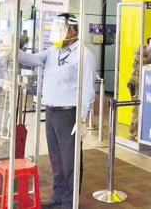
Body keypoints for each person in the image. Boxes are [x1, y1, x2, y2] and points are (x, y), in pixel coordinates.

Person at [17, 13, 96, 209]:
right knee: (56, 159)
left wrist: (83, 118)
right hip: (51, 113)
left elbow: (88, 89)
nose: (57, 34)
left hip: (69, 114)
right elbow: (32, 59)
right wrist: (11, 49)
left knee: (70, 160)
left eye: (61, 30)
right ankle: (58, 197)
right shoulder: (54, 51)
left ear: (73, 31)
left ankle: (70, 202)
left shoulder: (83, 55)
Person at [127, 35, 151, 139]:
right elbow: (141, 60)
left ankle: (139, 131)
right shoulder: (141, 49)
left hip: (144, 84)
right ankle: (133, 132)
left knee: (143, 108)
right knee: (137, 107)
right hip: (135, 83)